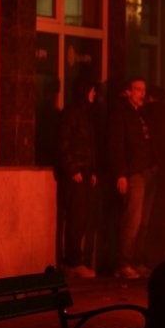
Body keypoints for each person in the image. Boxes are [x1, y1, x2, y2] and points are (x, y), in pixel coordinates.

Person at [109, 77, 158, 279]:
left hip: (147, 171)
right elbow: (117, 145)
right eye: (138, 89)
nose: (142, 93)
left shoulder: (142, 113)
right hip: (134, 172)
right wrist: (121, 174)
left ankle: (136, 260)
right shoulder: (121, 114)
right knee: (132, 220)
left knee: (143, 221)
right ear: (128, 92)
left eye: (143, 90)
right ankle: (123, 263)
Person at [58, 77, 99, 278]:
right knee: (76, 216)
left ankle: (76, 260)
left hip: (83, 172)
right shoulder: (73, 113)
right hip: (76, 174)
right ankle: (73, 261)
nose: (94, 94)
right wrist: (72, 169)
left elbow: (88, 146)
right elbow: (64, 142)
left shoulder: (85, 113)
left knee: (81, 217)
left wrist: (92, 171)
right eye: (92, 90)